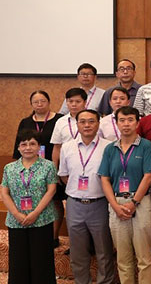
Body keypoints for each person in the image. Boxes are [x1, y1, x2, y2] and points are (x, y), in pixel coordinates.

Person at [98, 106, 151, 284]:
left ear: (137, 123)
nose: (126, 124)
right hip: (117, 203)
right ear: (116, 123)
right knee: (123, 258)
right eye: (122, 120)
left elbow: (148, 176)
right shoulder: (110, 149)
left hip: (141, 202)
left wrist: (133, 202)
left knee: (144, 257)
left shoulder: (146, 146)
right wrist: (115, 206)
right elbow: (104, 179)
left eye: (130, 120)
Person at [58, 109, 116, 284]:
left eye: (91, 121)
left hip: (100, 203)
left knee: (104, 249)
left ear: (98, 124)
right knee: (77, 251)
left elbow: (112, 176)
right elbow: (64, 175)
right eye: (82, 122)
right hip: (75, 204)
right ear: (77, 125)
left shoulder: (109, 146)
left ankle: (105, 281)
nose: (87, 125)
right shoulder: (67, 147)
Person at [1, 129, 57, 284]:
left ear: (39, 146)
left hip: (42, 219)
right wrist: (16, 214)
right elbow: (4, 192)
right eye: (23, 144)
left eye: (32, 144)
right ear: (18, 147)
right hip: (16, 221)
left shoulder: (48, 166)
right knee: (18, 261)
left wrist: (35, 213)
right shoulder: (9, 168)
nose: (28, 147)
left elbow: (51, 190)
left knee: (42, 261)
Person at [51, 87, 88, 247]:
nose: (74, 104)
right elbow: (56, 148)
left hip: (88, 171)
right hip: (66, 171)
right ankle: (74, 245)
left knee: (87, 209)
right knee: (70, 209)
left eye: (77, 101)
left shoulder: (92, 119)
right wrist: (56, 171)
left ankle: (89, 244)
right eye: (70, 101)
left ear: (84, 102)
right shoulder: (61, 122)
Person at [13, 90, 63, 161]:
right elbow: (19, 144)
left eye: (43, 101)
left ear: (49, 102)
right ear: (31, 104)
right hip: (31, 162)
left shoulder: (60, 119)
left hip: (56, 161)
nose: (39, 104)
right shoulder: (25, 122)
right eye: (36, 102)